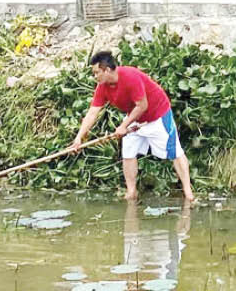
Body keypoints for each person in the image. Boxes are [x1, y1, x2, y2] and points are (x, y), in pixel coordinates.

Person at [69, 51, 195, 202]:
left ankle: (188, 193)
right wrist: (79, 138)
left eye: (97, 73)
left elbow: (142, 105)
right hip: (134, 117)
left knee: (175, 152)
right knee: (128, 153)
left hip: (157, 115)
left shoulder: (130, 77)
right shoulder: (102, 87)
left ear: (107, 70)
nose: (95, 76)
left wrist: (123, 126)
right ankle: (131, 192)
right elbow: (92, 112)